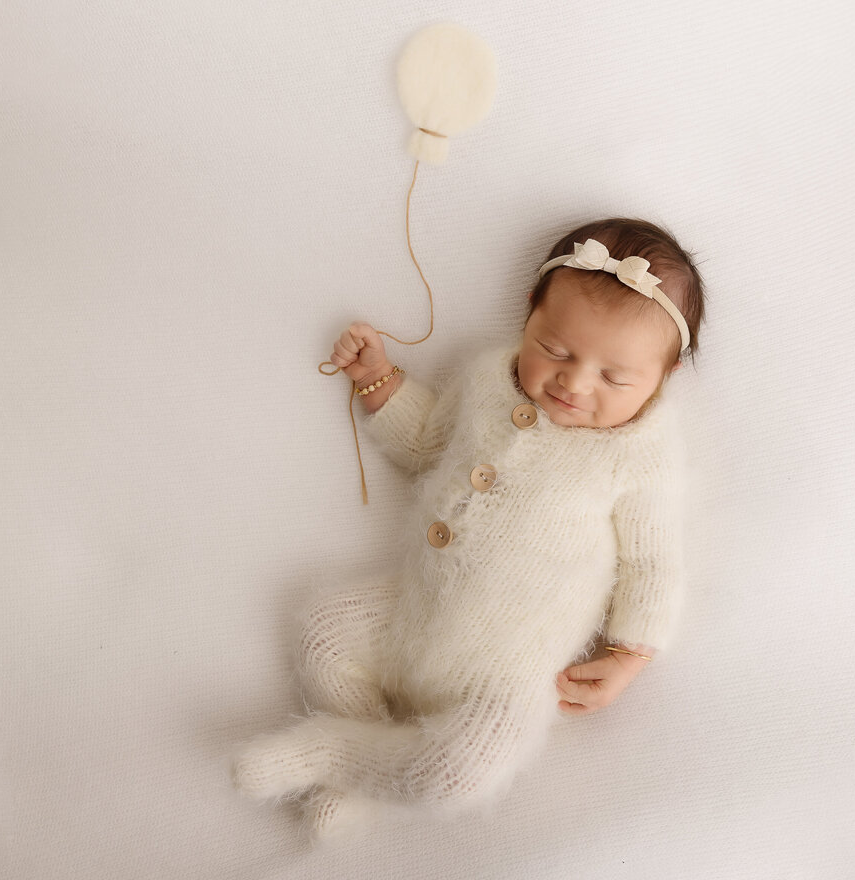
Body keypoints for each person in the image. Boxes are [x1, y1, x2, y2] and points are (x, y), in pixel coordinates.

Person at [233, 217, 706, 840]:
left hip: (505, 669)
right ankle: (375, 761)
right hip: (413, 612)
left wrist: (628, 656)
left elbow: (653, 563)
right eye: (555, 350)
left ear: (660, 381)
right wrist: (379, 382)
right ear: (529, 317)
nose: (572, 381)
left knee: (459, 773)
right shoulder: (488, 381)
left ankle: (335, 756)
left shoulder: (638, 455)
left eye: (613, 377)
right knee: (322, 631)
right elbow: (430, 442)